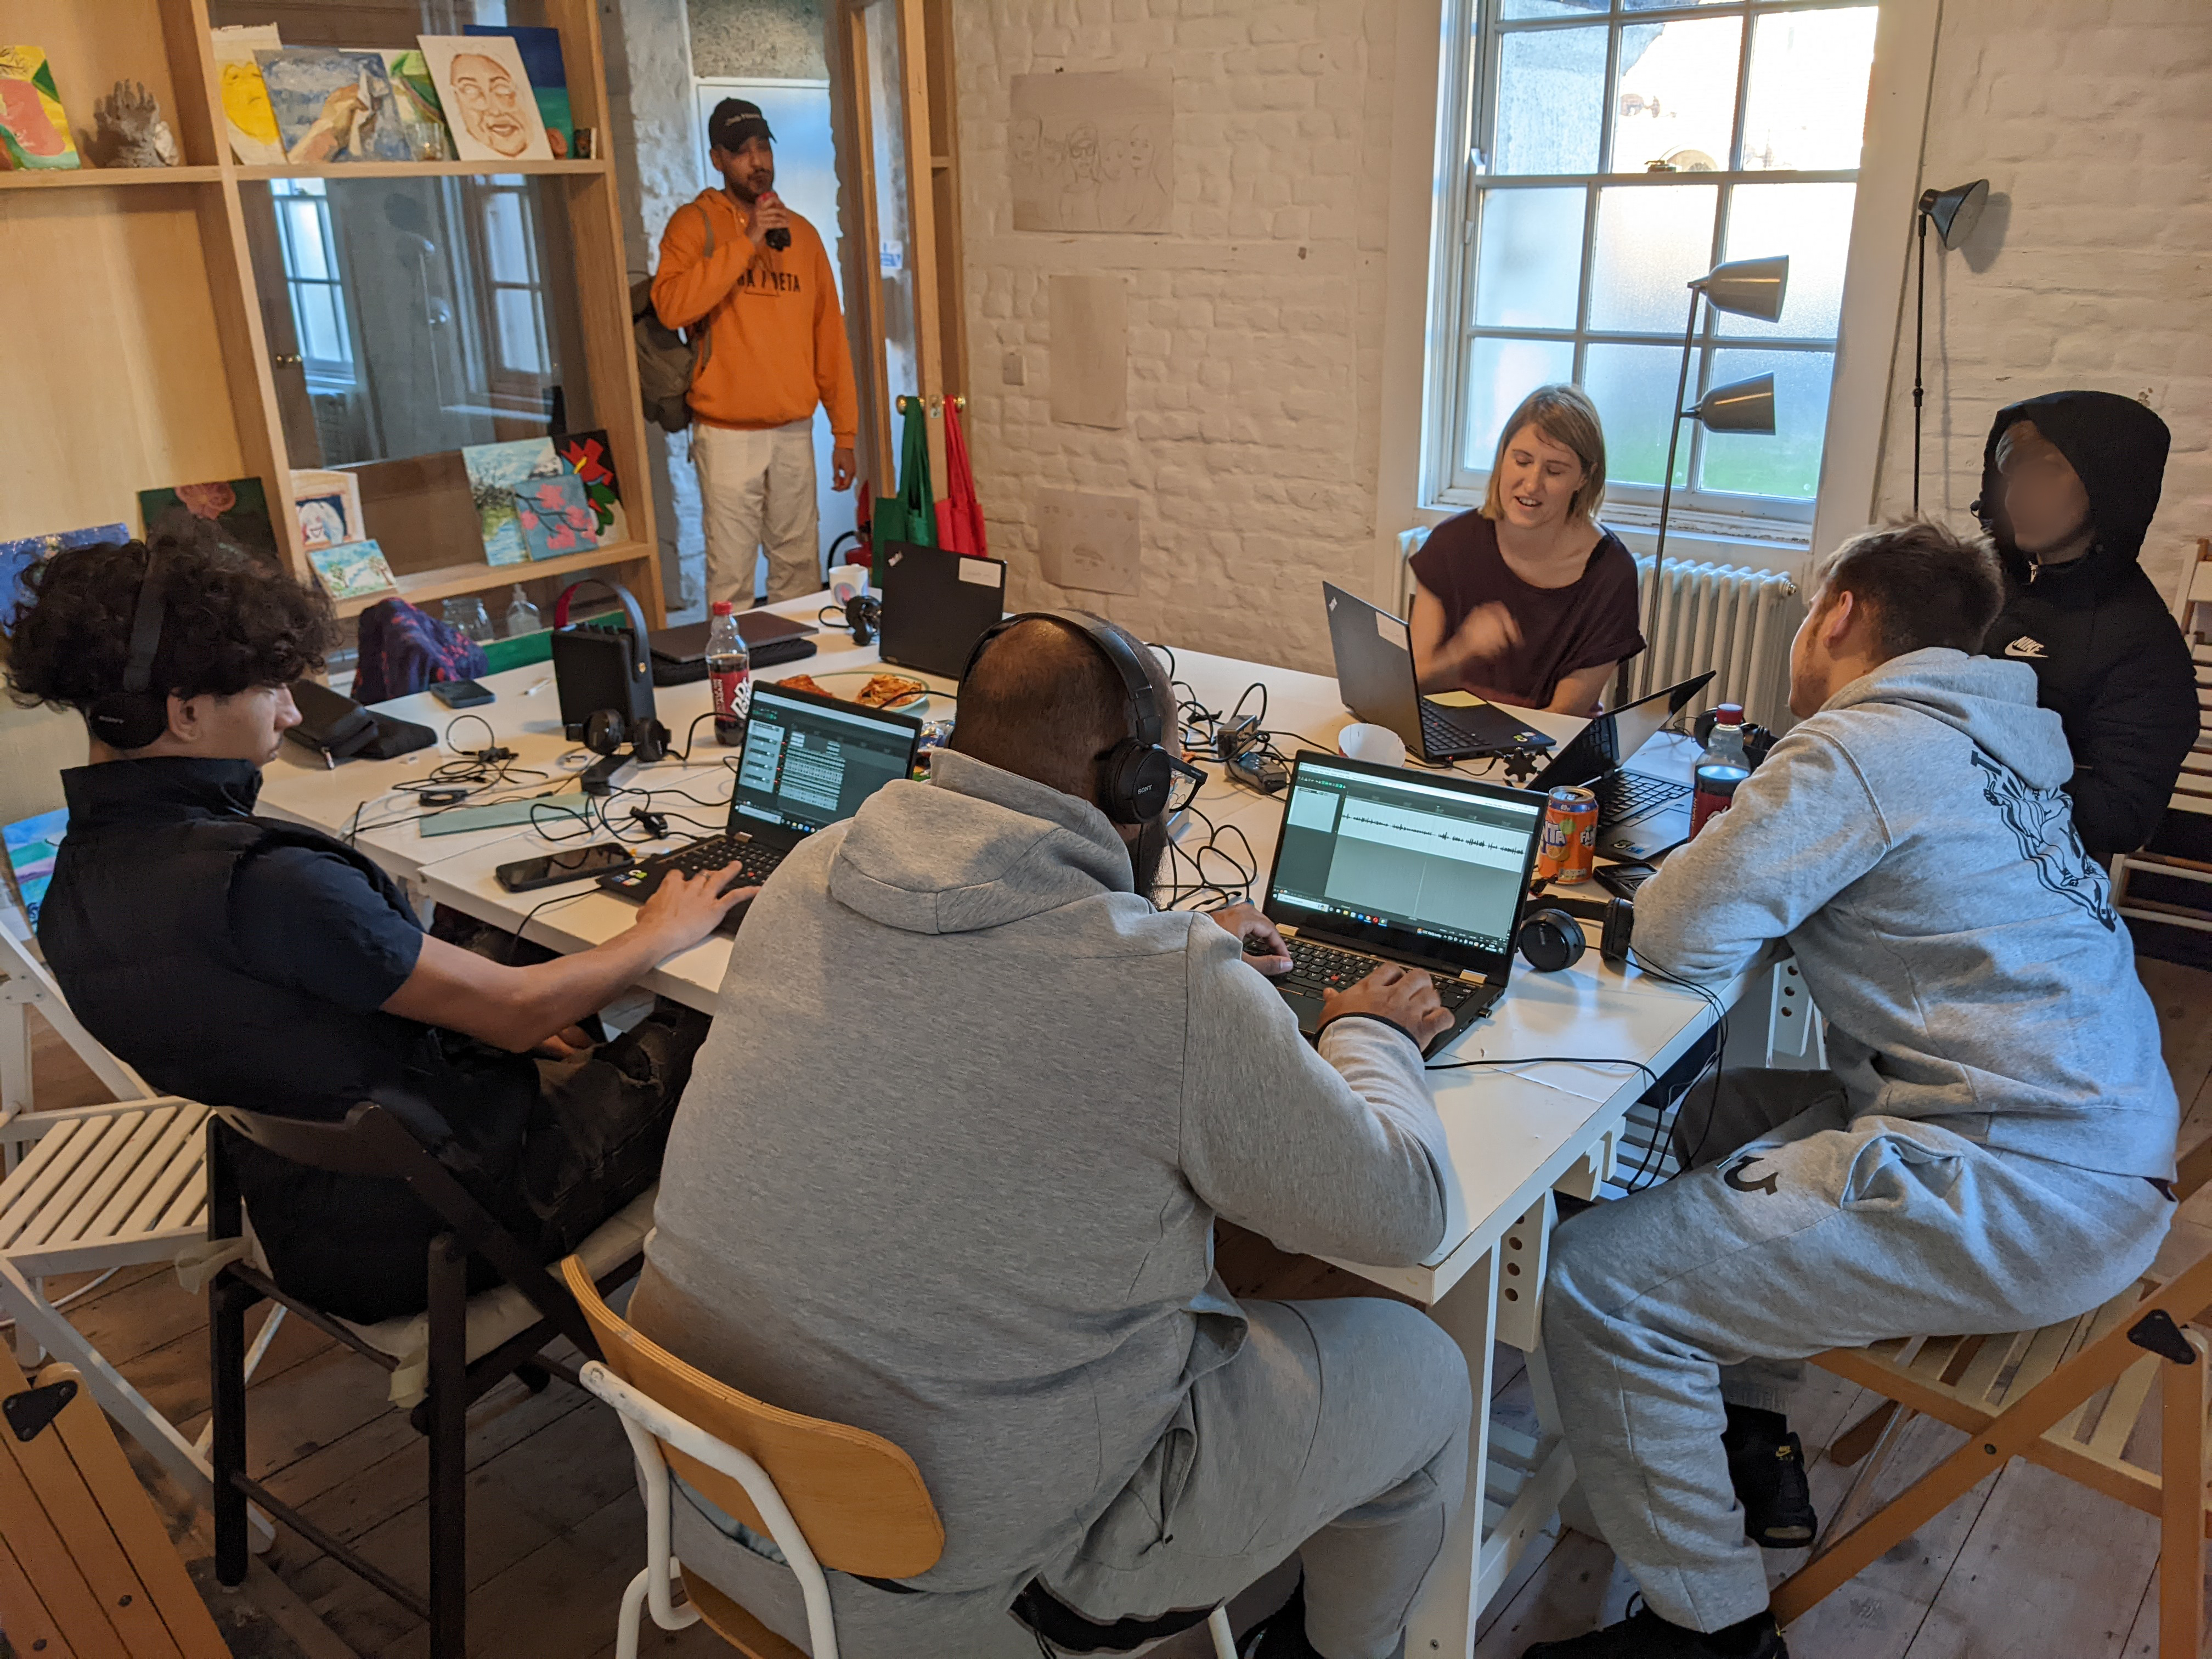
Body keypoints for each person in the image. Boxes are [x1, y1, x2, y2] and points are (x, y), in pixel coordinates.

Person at [631, 611, 1475, 1659]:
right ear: (1138, 786)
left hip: (709, 1503)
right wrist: (1366, 1029)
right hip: (966, 1585)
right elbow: (1406, 1211)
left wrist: (1176, 956)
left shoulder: (812, 869)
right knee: (1429, 1369)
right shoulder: (1166, 984)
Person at [1526, 520, 2177, 1659]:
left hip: (2011, 1185)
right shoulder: (1994, 740)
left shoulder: (1864, 746)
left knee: (1592, 1283)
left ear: (1841, 612)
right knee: (1696, 1114)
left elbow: (1679, 933)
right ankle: (1728, 1417)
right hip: (2089, 1149)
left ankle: (1709, 1630)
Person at [8, 531, 754, 1324]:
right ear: (185, 714)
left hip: (316, 1216)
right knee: (723, 1018)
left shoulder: (77, 888)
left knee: (517, 949)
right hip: (452, 1227)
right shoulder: (268, 883)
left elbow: (302, 1026)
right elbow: (516, 1009)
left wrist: (502, 1027)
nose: (294, 711)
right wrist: (660, 933)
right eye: (271, 690)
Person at [1973, 388, 2197, 866]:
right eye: (2011, 475)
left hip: (2036, 877)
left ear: (2109, 481)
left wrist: (1967, 774)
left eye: (2045, 472)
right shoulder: (1987, 589)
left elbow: (2126, 814)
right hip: (1931, 842)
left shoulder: (2142, 644)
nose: (2017, 496)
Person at [653, 98, 859, 606]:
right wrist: (746, 241)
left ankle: (798, 685)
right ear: (717, 158)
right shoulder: (692, 226)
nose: (757, 160)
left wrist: (845, 432)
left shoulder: (804, 236)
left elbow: (829, 338)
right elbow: (672, 308)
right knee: (732, 580)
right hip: (726, 433)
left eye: (763, 147)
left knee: (799, 573)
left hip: (793, 431)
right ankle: (736, 685)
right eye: (741, 151)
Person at [1409, 383, 1645, 716]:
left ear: (1583, 478)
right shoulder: (1452, 542)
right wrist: (1462, 650)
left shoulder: (1611, 571)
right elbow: (1415, 680)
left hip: (1544, 749)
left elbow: (1566, 713)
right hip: (1448, 732)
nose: (1532, 484)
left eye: (1555, 471)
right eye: (1521, 461)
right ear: (1503, 456)